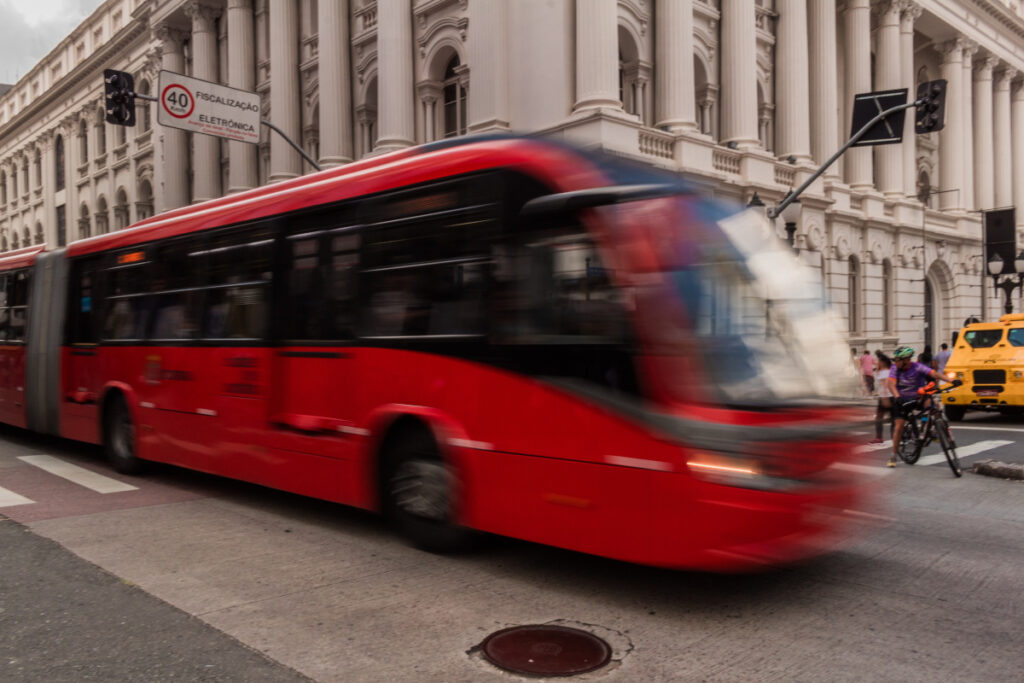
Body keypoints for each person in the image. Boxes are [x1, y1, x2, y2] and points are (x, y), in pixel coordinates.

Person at [887, 345, 955, 467]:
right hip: (901, 400)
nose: (895, 362)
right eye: (896, 360)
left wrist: (951, 381)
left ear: (906, 360)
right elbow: (891, 384)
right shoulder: (894, 369)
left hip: (917, 397)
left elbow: (934, 374)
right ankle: (893, 456)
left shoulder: (917, 367)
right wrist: (897, 397)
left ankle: (928, 427)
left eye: (898, 360)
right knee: (899, 427)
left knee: (931, 402)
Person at [871, 351, 893, 444]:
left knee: (878, 418)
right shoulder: (889, 371)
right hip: (891, 397)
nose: (877, 362)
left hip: (885, 397)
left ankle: (879, 438)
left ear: (883, 363)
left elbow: (884, 386)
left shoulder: (883, 373)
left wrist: (885, 399)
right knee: (894, 418)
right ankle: (897, 436)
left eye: (879, 361)